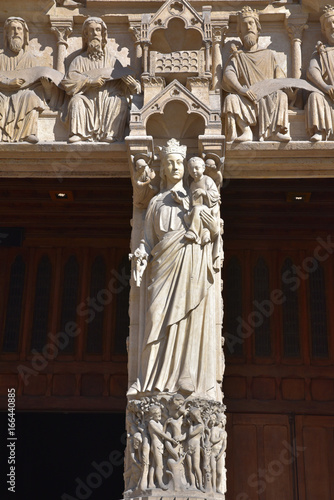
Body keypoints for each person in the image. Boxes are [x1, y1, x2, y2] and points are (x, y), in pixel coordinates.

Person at [129, 139, 222, 402]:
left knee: (188, 318)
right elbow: (147, 240)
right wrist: (140, 255)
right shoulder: (156, 202)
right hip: (162, 268)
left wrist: (205, 221)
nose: (175, 166)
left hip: (191, 263)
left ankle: (187, 375)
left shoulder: (198, 197)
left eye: (179, 162)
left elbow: (213, 231)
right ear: (164, 169)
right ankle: (150, 379)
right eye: (170, 163)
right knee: (155, 316)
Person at [61, 17, 140, 143]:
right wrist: (89, 81)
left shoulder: (112, 60)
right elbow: (68, 81)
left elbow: (124, 86)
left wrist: (133, 86)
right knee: (76, 101)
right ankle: (79, 133)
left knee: (120, 101)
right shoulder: (79, 60)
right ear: (86, 36)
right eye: (91, 31)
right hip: (87, 101)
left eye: (98, 30)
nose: (95, 34)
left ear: (103, 35)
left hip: (107, 102)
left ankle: (110, 133)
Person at [222, 6, 291, 142]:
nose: (248, 27)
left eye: (251, 23)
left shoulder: (269, 54)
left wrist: (277, 85)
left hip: (268, 95)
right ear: (239, 32)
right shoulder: (237, 56)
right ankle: (246, 130)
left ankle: (274, 131)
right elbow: (228, 74)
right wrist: (242, 90)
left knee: (281, 96)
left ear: (258, 28)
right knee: (231, 99)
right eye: (244, 24)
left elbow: (279, 74)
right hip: (247, 97)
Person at [0, 17, 54, 143]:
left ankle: (28, 132)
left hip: (23, 95)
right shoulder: (1, 58)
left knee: (32, 97)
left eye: (19, 29)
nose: (16, 32)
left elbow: (36, 84)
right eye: (12, 29)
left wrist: (46, 87)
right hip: (3, 94)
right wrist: (8, 83)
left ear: (24, 35)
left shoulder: (30, 59)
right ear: (7, 34)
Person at [306, 5, 334, 141]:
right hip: (329, 95)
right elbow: (312, 71)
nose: (333, 27)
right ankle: (321, 130)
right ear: (324, 30)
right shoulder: (321, 53)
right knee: (315, 96)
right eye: (329, 25)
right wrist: (326, 87)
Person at [185, 157, 220, 246]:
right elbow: (189, 198)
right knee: (187, 215)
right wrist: (179, 200)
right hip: (197, 207)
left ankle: (193, 232)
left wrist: (204, 193)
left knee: (197, 210)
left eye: (197, 168)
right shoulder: (192, 184)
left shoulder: (207, 180)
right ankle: (204, 234)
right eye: (191, 169)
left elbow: (215, 194)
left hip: (208, 208)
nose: (194, 171)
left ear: (203, 168)